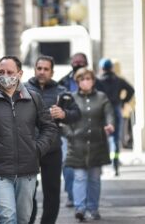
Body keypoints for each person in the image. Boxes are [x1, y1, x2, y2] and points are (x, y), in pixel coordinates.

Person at [0, 56, 58, 224]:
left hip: (27, 171)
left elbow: (50, 128)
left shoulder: (33, 98)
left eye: (10, 72)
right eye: (1, 72)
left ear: (20, 73)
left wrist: (36, 149)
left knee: (23, 219)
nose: (5, 75)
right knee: (7, 218)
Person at [26, 55, 81, 224]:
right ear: (35, 69)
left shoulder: (62, 92)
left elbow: (76, 114)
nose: (42, 72)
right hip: (29, 148)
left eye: (46, 69)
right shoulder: (23, 90)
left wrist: (64, 114)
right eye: (39, 68)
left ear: (52, 71)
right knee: (28, 192)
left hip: (52, 148)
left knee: (52, 192)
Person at [63, 68, 114, 221]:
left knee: (94, 178)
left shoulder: (101, 97)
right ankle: (80, 208)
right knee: (79, 177)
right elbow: (64, 119)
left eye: (88, 78)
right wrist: (69, 133)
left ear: (93, 80)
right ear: (77, 82)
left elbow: (109, 113)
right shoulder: (70, 98)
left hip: (97, 145)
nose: (85, 81)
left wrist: (110, 125)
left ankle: (93, 208)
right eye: (82, 79)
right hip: (77, 145)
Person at [58, 52, 89, 207]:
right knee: (68, 163)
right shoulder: (63, 82)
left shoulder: (94, 81)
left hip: (89, 130)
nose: (78, 63)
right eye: (75, 61)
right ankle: (72, 195)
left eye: (81, 61)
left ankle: (86, 198)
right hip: (68, 129)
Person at [96, 58, 134, 176]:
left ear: (101, 68)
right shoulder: (118, 80)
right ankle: (115, 167)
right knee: (115, 139)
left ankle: (100, 168)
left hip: (101, 111)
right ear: (111, 68)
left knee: (101, 139)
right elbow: (131, 90)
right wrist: (123, 101)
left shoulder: (97, 81)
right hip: (116, 110)